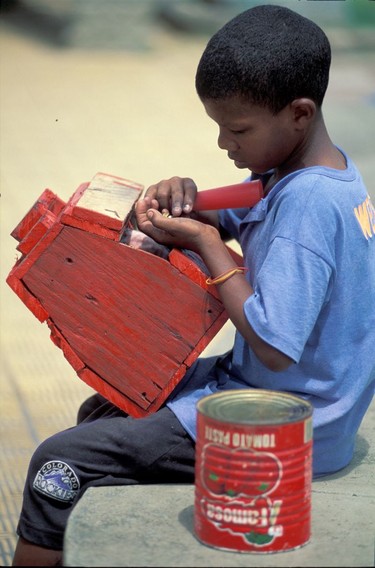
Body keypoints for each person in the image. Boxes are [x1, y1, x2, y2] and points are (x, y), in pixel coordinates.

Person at [12, 4, 375, 565]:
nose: (225, 144)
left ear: (299, 113)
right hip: (286, 401)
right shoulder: (306, 174)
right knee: (103, 411)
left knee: (57, 461)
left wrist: (207, 248)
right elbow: (236, 210)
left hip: (288, 429)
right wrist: (187, 198)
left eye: (238, 129)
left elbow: (276, 347)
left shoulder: (309, 206)